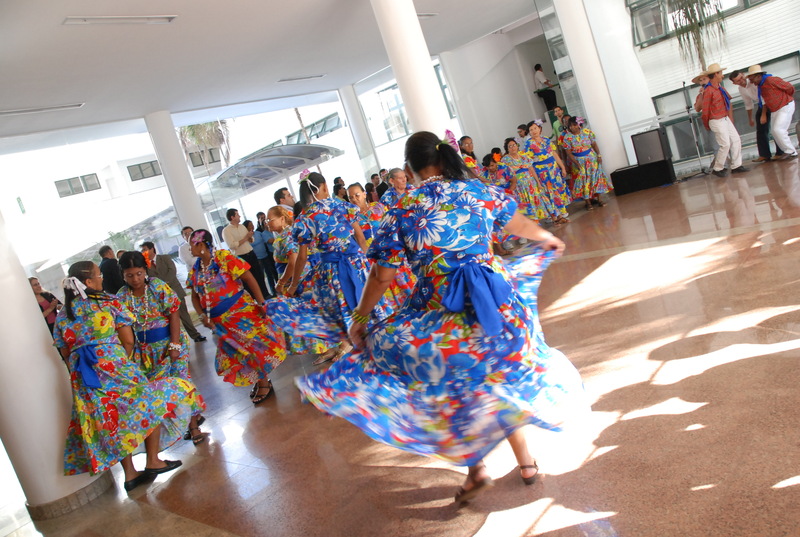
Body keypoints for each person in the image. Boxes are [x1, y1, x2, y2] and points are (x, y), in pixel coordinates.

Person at [295, 131, 586, 505]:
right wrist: (547, 237)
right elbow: (518, 224)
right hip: (497, 307)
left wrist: (360, 318)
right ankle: (525, 463)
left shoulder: (404, 208)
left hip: (440, 314)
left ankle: (476, 469)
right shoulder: (476, 190)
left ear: (409, 168)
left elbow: (382, 275)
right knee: (497, 380)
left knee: (453, 387)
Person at [53, 261, 200, 491]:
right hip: (115, 367)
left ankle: (130, 474)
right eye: (98, 275)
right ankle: (153, 460)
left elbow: (65, 352)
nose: (102, 278)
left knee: (112, 421)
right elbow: (128, 341)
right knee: (147, 403)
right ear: (89, 282)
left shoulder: (63, 315)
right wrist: (120, 361)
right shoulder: (108, 302)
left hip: (85, 377)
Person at [267, 172, 390, 364]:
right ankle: (382, 344)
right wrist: (370, 263)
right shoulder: (343, 206)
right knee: (369, 303)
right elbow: (360, 238)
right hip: (357, 264)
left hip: (331, 272)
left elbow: (302, 257)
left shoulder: (305, 218)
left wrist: (292, 286)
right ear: (324, 186)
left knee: (341, 312)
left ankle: (357, 350)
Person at [117, 251, 207, 445]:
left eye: (139, 273)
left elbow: (174, 313)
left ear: (145, 270)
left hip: (171, 342)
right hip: (145, 352)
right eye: (130, 275)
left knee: (179, 383)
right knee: (158, 390)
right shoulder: (122, 296)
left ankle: (193, 427)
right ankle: (182, 422)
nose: (135, 279)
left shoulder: (156, 286)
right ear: (123, 275)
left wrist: (174, 345)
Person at [187, 229, 286, 404]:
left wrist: (261, 302)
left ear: (201, 244)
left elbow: (248, 278)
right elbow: (195, 297)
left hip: (240, 313)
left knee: (252, 348)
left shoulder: (223, 258)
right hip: (220, 322)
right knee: (239, 352)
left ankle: (264, 382)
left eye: (191, 245)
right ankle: (259, 380)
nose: (189, 249)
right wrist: (202, 316)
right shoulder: (195, 270)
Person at [266, 206, 330, 357]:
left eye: (270, 219)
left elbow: (293, 261)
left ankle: (329, 346)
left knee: (309, 314)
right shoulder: (285, 234)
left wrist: (282, 282)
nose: (268, 223)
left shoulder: (287, 236)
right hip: (298, 279)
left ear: (282, 219)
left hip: (300, 280)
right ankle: (325, 347)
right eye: (267, 220)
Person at [139, 241, 207, 343]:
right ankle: (176, 341)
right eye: (142, 250)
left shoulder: (165, 258)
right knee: (169, 319)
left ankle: (195, 335)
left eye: (145, 249)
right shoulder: (145, 265)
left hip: (175, 290)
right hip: (160, 296)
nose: (143, 252)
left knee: (184, 315)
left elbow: (172, 271)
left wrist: (164, 285)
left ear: (152, 249)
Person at [701, 63, 747, 177]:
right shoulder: (708, 90)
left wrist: (729, 118)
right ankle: (718, 168)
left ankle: (736, 166)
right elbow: (705, 110)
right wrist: (707, 124)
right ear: (716, 74)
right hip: (716, 120)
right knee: (725, 144)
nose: (722, 75)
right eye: (720, 73)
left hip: (724, 118)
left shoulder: (720, 88)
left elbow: (728, 101)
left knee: (735, 140)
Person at [729, 70, 784, 163]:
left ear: (743, 75)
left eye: (741, 77)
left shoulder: (753, 82)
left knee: (775, 128)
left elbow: (764, 97)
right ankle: (764, 155)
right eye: (738, 80)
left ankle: (781, 152)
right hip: (761, 104)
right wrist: (750, 118)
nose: (741, 81)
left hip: (770, 101)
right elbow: (748, 103)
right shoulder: (741, 89)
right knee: (761, 130)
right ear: (734, 83)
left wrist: (763, 114)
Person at [523, 119, 571, 224]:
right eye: (531, 130)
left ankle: (561, 214)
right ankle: (555, 217)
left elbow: (554, 154)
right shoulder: (528, 144)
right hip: (541, 173)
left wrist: (562, 167)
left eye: (535, 128)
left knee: (557, 190)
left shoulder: (546, 139)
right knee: (548, 193)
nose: (534, 131)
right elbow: (529, 163)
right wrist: (536, 180)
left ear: (539, 129)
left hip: (554, 170)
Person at [747, 65, 798, 160]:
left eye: (752, 79)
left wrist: (786, 98)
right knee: (774, 131)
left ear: (758, 76)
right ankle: (787, 151)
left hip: (785, 106)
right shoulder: (761, 85)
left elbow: (789, 87)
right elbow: (764, 100)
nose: (751, 82)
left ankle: (790, 151)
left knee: (779, 129)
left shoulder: (771, 80)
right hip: (775, 109)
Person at [560, 117, 612, 210]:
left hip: (592, 160)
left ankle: (599, 199)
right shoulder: (567, 137)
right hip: (579, 162)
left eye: (574, 125)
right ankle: (588, 203)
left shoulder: (588, 132)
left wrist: (599, 155)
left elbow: (594, 145)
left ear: (579, 124)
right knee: (584, 182)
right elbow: (568, 153)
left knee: (595, 179)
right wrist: (576, 163)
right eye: (570, 126)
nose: (572, 127)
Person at [221, 208, 270, 300]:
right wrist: (245, 238)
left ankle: (265, 294)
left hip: (251, 253)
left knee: (259, 275)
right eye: (237, 214)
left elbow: (250, 240)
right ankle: (254, 299)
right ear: (232, 217)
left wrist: (250, 237)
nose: (239, 216)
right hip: (240, 257)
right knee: (248, 279)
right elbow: (232, 245)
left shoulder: (242, 227)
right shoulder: (226, 230)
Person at [501, 137, 552, 221]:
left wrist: (538, 182)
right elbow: (506, 174)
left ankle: (540, 218)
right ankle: (531, 221)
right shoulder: (505, 160)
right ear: (507, 149)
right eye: (510, 146)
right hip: (519, 187)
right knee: (525, 202)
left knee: (535, 200)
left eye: (514, 145)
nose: (513, 147)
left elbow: (531, 169)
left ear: (517, 146)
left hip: (530, 183)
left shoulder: (524, 156)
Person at [255, 212, 279, 296]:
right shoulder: (260, 232)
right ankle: (275, 290)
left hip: (278, 252)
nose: (266, 222)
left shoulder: (273, 230)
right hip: (269, 253)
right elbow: (270, 241)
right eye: (262, 219)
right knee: (272, 272)